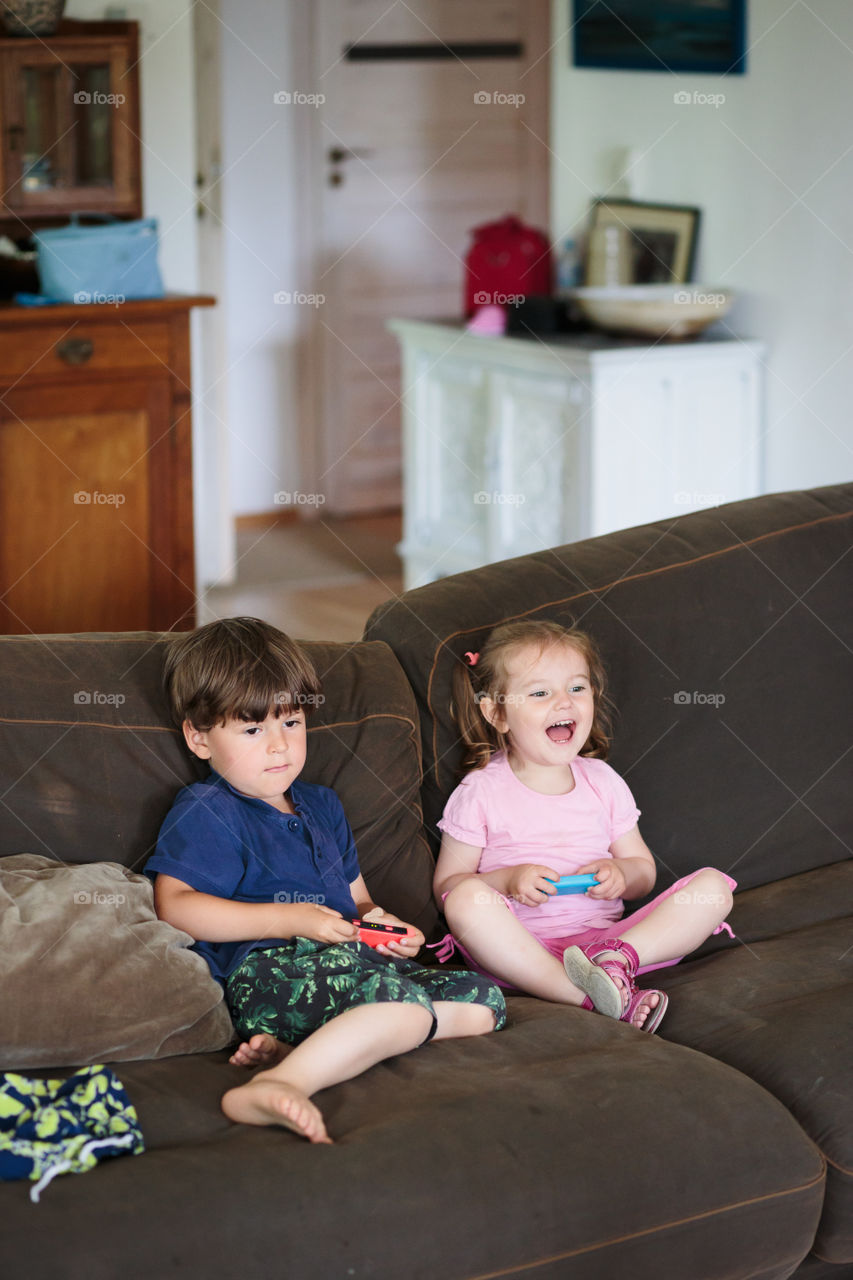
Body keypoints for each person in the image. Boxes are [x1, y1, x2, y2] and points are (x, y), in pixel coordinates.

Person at [146, 617, 505, 1144]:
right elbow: (175, 905)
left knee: (482, 1000)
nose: (279, 746)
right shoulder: (209, 809)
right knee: (394, 1001)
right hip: (270, 974)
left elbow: (358, 902)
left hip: (355, 964)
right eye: (252, 730)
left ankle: (314, 1047)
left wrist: (383, 927)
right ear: (199, 739)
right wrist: (288, 919)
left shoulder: (322, 805)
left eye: (291, 722)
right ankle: (279, 1084)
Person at [433, 620, 736, 1033]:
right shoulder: (480, 791)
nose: (564, 702)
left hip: (607, 943)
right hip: (522, 952)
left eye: (577, 687)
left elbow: (643, 872)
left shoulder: (602, 781)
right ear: (497, 713)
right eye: (540, 693)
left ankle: (616, 966)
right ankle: (588, 996)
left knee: (713, 889)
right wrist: (507, 881)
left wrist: (621, 874)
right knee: (465, 901)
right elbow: (448, 885)